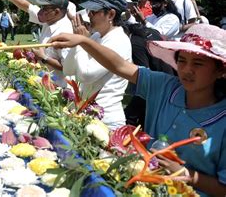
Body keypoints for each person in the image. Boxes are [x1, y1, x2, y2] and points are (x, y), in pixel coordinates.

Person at [49, 24, 226, 197]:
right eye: (182, 60)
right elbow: (120, 66)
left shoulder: (222, 121)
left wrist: (184, 173)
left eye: (198, 63)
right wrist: (84, 42)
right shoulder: (165, 87)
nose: (187, 70)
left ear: (220, 70)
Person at [62, 0, 132, 129]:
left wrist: (81, 41)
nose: (89, 15)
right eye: (89, 11)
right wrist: (78, 43)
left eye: (94, 11)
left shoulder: (119, 40)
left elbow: (86, 76)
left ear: (111, 14)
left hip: (107, 120)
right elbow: (68, 70)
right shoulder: (96, 37)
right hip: (88, 115)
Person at [0, 0, 73, 87]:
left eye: (44, 8)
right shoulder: (50, 19)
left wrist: (44, 58)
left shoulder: (65, 32)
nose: (40, 11)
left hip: (58, 88)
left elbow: (67, 67)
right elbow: (28, 7)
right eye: (41, 7)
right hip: (44, 82)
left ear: (57, 12)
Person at [123, 23, 175, 127]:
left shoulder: (135, 43)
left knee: (132, 115)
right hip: (171, 74)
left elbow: (143, 73)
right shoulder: (152, 32)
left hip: (158, 83)